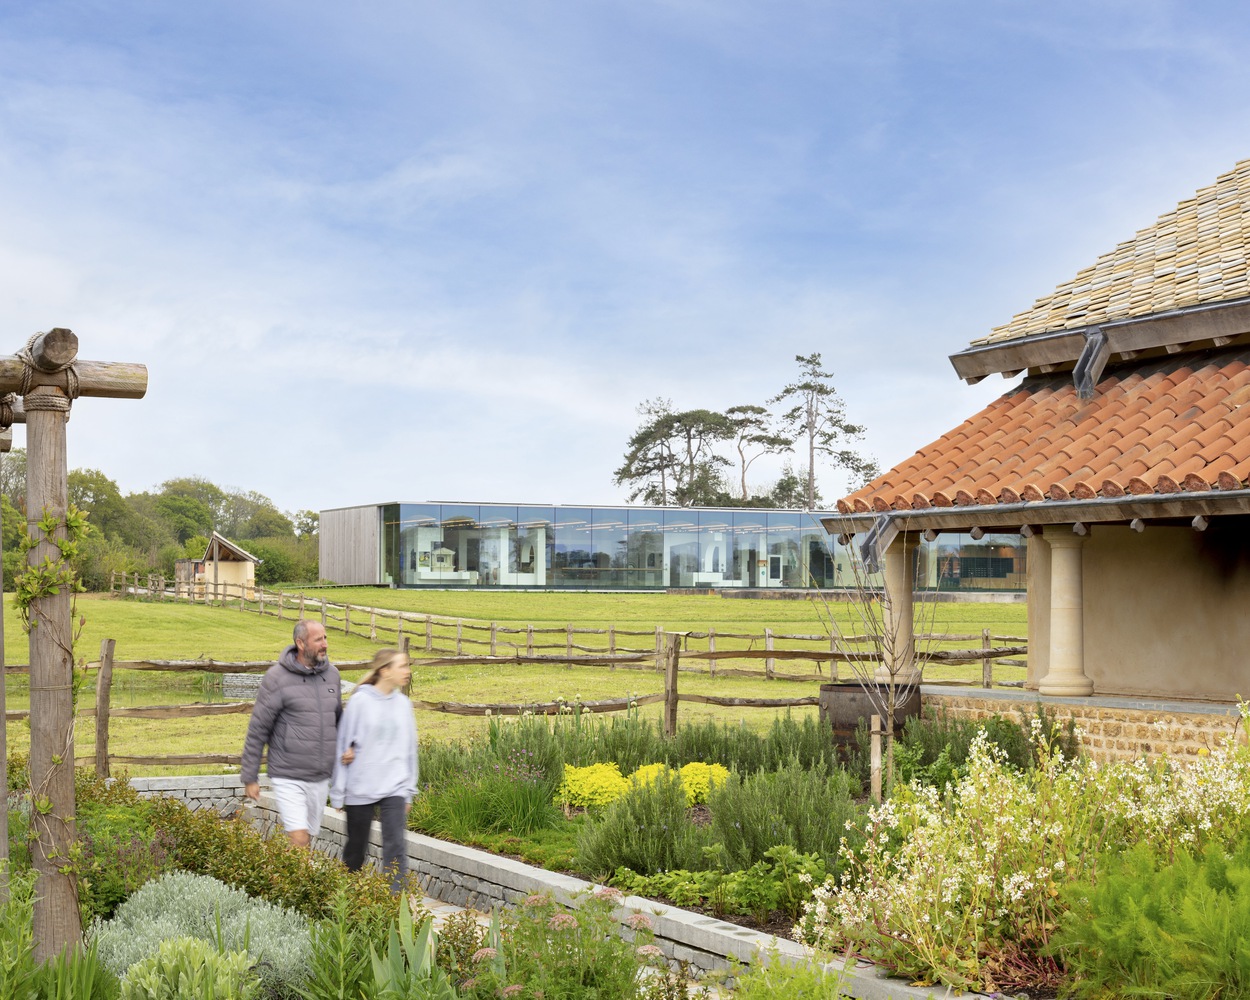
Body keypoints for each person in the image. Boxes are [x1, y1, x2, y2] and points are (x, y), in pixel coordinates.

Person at [241, 619, 343, 848]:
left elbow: (338, 721)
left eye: (325, 637)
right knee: (299, 838)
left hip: (320, 775)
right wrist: (250, 776)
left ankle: (285, 879)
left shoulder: (332, 675)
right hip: (288, 773)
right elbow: (258, 728)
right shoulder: (277, 678)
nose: (325, 644)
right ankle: (298, 880)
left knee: (306, 839)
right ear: (301, 643)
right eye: (318, 639)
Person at [330, 648, 418, 892]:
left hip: (395, 787)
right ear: (385, 670)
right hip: (361, 787)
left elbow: (410, 749)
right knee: (356, 851)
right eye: (402, 666)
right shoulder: (360, 701)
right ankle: (346, 903)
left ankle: (395, 911)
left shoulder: (403, 704)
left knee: (396, 850)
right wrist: (338, 792)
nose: (407, 671)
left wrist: (408, 790)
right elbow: (343, 746)